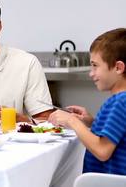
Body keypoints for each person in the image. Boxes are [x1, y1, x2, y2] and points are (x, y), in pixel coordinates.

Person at [49, 28, 126, 175]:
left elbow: (103, 151)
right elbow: (118, 134)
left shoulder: (119, 102)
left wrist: (72, 121)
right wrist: (91, 122)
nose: (91, 73)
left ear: (118, 67)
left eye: (95, 65)